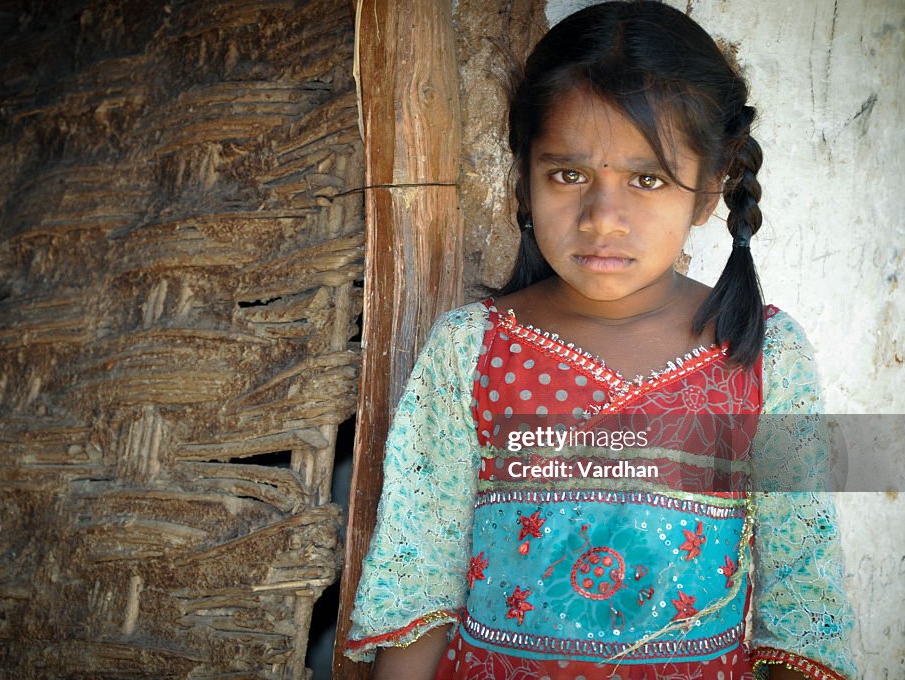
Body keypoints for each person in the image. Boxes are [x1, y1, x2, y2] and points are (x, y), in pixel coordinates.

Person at [345, 2, 855, 679]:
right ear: (524, 177)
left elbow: (803, 591)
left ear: (710, 192)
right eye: (568, 175)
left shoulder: (763, 355)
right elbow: (422, 575)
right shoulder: (472, 351)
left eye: (647, 179)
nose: (601, 219)